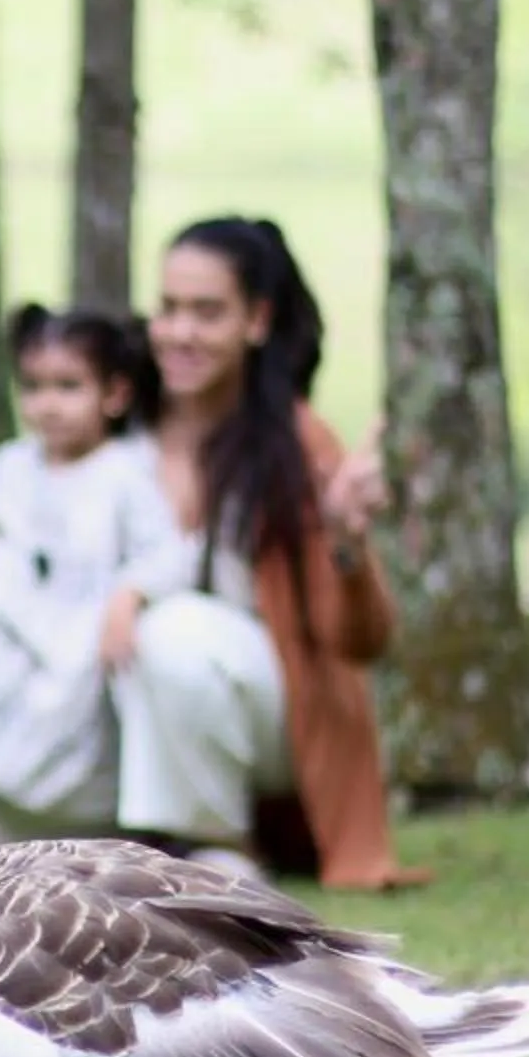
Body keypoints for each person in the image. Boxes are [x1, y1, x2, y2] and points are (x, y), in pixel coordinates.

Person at [115, 215, 424, 890]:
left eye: (207, 312)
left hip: (270, 722)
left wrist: (347, 541)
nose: (180, 333)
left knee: (174, 629)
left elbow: (362, 643)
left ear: (256, 321)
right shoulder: (120, 424)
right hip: (131, 705)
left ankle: (215, 847)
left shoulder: (298, 443)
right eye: (168, 309)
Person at [0, 303, 198, 836]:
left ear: (113, 394)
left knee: (78, 713)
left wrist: (129, 597)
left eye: (68, 387)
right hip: (13, 637)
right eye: (34, 387)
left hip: (86, 645)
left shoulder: (127, 470)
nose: (48, 405)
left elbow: (167, 553)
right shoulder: (11, 465)